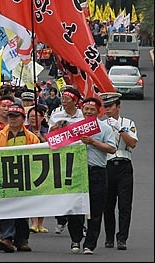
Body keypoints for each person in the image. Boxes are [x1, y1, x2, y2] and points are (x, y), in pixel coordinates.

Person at [67, 97, 116, 255]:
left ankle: (90, 244)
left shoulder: (105, 128)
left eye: (92, 110)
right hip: (77, 172)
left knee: (96, 210)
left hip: (97, 172)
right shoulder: (73, 127)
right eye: (86, 109)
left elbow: (111, 149)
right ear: (82, 109)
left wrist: (93, 142)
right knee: (74, 208)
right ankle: (75, 239)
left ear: (98, 112)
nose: (88, 112)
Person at [0, 104, 39, 253]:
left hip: (25, 177)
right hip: (5, 176)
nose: (12, 119)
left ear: (23, 119)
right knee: (8, 208)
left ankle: (22, 240)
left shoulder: (31, 138)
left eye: (16, 116)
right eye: (10, 116)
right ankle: (7, 238)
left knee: (23, 209)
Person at [101, 92, 138, 251]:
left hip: (124, 165)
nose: (107, 110)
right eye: (105, 107)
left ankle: (122, 238)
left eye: (110, 106)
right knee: (108, 205)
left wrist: (121, 129)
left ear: (118, 107)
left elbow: (133, 143)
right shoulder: (101, 124)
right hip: (107, 165)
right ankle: (109, 237)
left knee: (125, 205)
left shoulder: (128, 123)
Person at [48, 86, 84, 234]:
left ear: (75, 101)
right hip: (60, 156)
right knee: (60, 189)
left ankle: (80, 224)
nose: (64, 101)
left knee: (78, 191)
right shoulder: (56, 113)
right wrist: (57, 126)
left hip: (78, 157)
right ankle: (61, 220)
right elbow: (50, 134)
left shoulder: (83, 115)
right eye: (62, 98)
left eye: (67, 99)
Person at [26, 105, 50, 234]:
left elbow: (51, 145)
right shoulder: (25, 130)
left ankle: (41, 223)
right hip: (30, 164)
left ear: (42, 117)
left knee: (43, 195)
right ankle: (33, 222)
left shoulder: (48, 129)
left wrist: (40, 137)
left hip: (44, 164)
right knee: (31, 194)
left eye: (35, 116)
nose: (32, 119)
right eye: (30, 116)